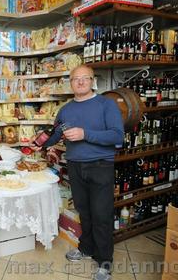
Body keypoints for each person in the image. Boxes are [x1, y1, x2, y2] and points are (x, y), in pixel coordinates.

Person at [36, 65, 124, 280]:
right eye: (76, 79)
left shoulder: (107, 105)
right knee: (84, 212)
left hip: (100, 165)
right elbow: (57, 134)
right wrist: (43, 141)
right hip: (75, 166)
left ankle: (104, 262)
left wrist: (85, 134)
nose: (81, 82)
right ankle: (86, 249)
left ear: (92, 81)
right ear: (71, 82)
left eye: (85, 78)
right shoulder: (66, 110)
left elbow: (117, 137)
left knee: (101, 215)